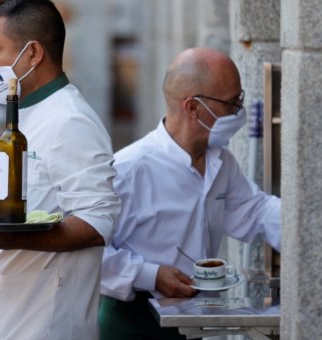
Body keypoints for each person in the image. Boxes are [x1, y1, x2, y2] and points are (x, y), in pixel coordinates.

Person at [0, 1, 120, 339]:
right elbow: (34, 211)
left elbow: (97, 223)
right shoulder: (24, 114)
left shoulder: (71, 120)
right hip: (4, 321)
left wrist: (2, 240)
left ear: (33, 53)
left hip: (47, 326)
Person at [99, 47, 281, 339]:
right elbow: (90, 252)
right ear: (193, 107)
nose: (239, 112)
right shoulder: (128, 169)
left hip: (190, 320)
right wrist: (152, 275)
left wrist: (307, 232)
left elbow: (255, 210)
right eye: (232, 102)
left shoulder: (221, 162)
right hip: (132, 322)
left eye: (240, 100)